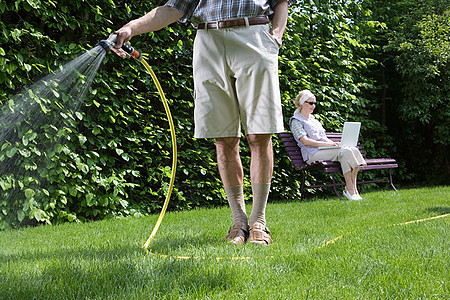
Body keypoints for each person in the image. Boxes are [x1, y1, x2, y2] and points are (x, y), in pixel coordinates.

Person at [114, 1, 291, 245]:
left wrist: (276, 38)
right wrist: (130, 28)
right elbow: (171, 9)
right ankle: (239, 222)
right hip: (208, 42)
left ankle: (259, 220)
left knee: (259, 134)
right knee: (224, 137)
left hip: (255, 37)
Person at [290, 90, 367, 200]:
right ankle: (350, 189)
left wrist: (333, 144)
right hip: (312, 153)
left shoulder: (314, 120)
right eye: (310, 103)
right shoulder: (296, 121)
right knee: (346, 152)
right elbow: (305, 141)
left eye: (314, 103)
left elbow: (323, 137)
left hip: (324, 150)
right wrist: (327, 144)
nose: (313, 106)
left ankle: (353, 189)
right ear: (302, 103)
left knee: (352, 149)